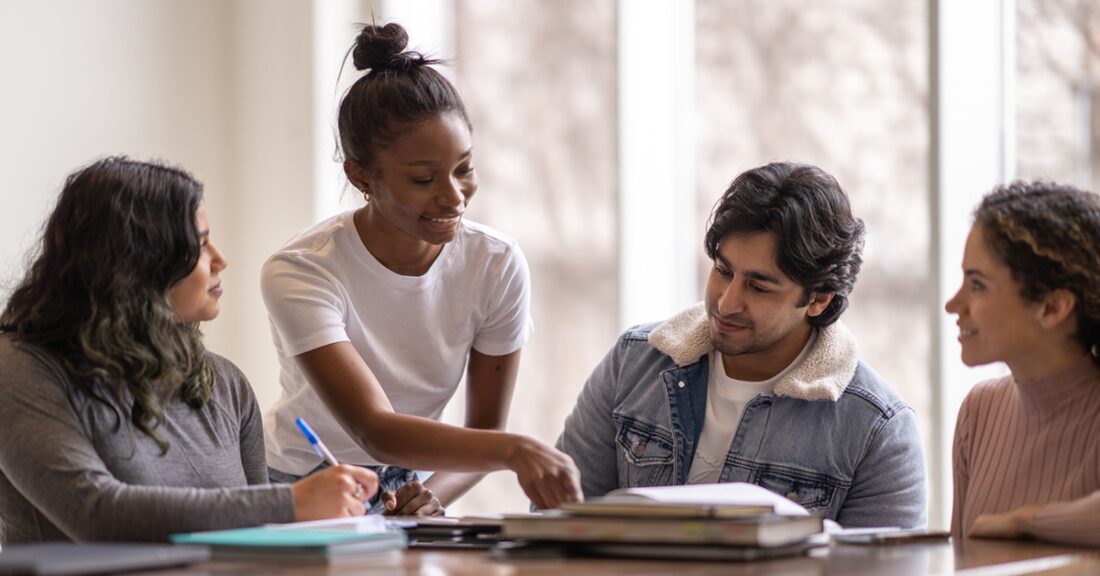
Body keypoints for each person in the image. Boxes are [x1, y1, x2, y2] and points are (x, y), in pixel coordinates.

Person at [261, 22, 580, 515]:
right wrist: (518, 450)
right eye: (423, 178)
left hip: (403, 487)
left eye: (465, 168)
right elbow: (374, 429)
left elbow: (483, 431)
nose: (454, 196)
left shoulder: (494, 265)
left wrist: (430, 498)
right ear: (361, 175)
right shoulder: (302, 270)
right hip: (300, 487)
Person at [0, 158, 378, 544]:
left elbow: (260, 538)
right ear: (137, 261)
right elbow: (95, 513)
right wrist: (293, 501)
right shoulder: (20, 367)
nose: (220, 259)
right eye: (200, 244)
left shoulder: (226, 383)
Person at [557, 162, 927, 528]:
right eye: (723, 271)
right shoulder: (634, 363)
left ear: (819, 299)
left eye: (759, 287)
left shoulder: (876, 430)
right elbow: (556, 520)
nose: (726, 302)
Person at [947, 181, 1100, 547]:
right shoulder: (979, 411)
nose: (953, 304)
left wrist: (1026, 522)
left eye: (978, 284)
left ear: (1052, 308)